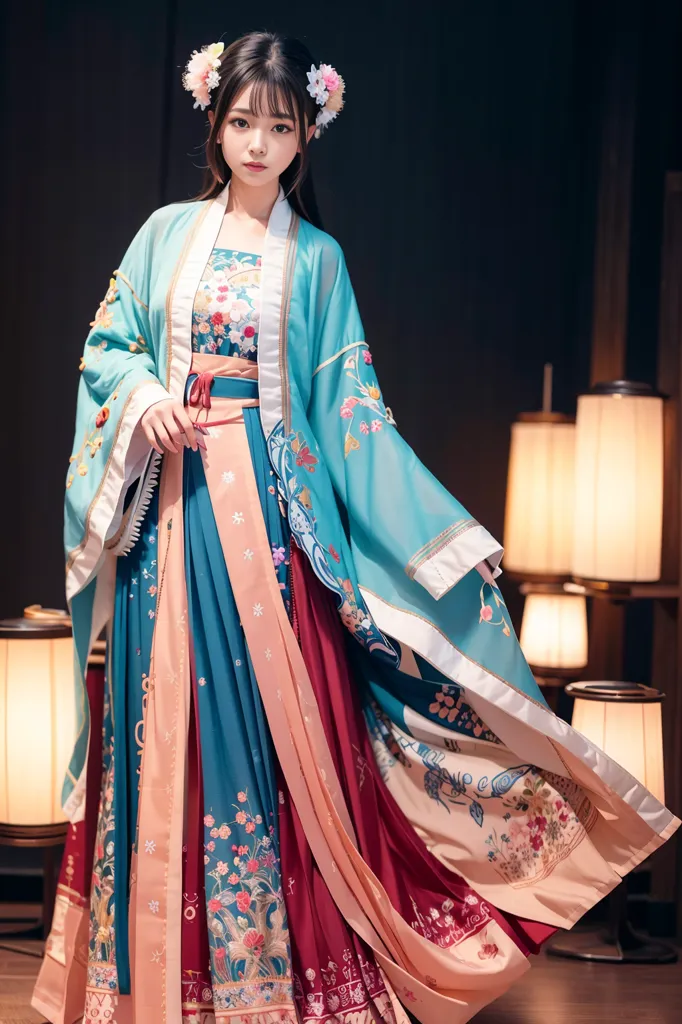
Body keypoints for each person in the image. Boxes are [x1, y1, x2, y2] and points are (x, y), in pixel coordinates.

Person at [33, 30, 679, 1024]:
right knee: (170, 728)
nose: (257, 143)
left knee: (264, 740)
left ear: (304, 138)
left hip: (273, 535)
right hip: (169, 523)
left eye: (278, 126)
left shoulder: (318, 261)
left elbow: (356, 421)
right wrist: (144, 391)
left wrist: (439, 535)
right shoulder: (164, 233)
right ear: (215, 121)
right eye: (242, 121)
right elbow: (105, 345)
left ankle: (266, 980)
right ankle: (150, 979)